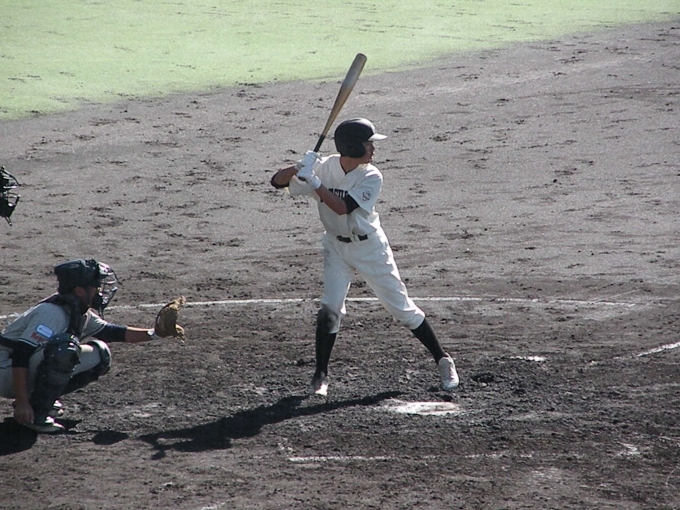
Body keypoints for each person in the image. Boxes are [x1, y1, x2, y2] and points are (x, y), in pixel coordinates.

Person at [270, 118, 459, 396]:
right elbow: (276, 182)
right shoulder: (324, 167)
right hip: (335, 247)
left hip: (370, 249)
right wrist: (298, 168)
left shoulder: (371, 175)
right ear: (352, 147)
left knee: (401, 309)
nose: (373, 149)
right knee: (330, 309)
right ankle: (320, 375)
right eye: (368, 144)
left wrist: (315, 182)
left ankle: (443, 359)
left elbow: (342, 208)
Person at [0, 258, 172, 433]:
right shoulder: (52, 313)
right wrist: (22, 401)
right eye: (96, 286)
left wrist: (156, 333)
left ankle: (38, 400)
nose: (100, 291)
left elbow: (112, 332)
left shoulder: (78, 310)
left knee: (100, 354)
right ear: (80, 290)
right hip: (5, 369)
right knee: (64, 351)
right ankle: (35, 413)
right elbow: (21, 354)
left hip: (15, 371)